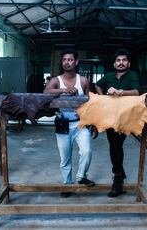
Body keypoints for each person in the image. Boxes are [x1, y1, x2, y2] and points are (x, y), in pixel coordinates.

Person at [44, 49, 95, 198]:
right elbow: (46, 92)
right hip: (63, 122)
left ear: (76, 62)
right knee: (65, 158)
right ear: (62, 62)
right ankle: (67, 183)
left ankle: (81, 177)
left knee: (86, 152)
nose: (67, 62)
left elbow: (89, 104)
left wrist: (92, 123)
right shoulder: (56, 80)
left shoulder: (83, 81)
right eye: (65, 60)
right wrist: (65, 90)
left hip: (80, 123)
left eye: (70, 59)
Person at [94, 48, 140, 197]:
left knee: (116, 144)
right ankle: (120, 173)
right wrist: (102, 97)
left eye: (124, 60)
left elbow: (136, 91)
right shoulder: (108, 76)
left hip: (125, 116)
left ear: (128, 63)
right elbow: (97, 85)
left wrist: (121, 92)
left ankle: (117, 176)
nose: (121, 63)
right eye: (118, 60)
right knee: (113, 144)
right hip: (109, 116)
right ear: (114, 63)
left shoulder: (132, 75)